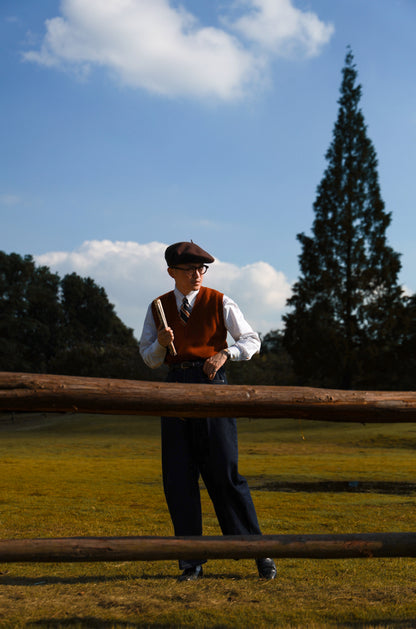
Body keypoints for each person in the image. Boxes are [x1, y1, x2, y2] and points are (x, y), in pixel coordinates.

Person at [140, 241, 276, 582]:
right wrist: (160, 341)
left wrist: (226, 353)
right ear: (172, 272)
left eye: (201, 269)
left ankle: (258, 551)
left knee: (226, 474)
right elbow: (149, 358)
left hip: (213, 386)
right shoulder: (157, 307)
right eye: (189, 270)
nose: (197, 274)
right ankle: (191, 562)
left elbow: (252, 340)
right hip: (174, 389)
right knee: (179, 478)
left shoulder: (220, 301)